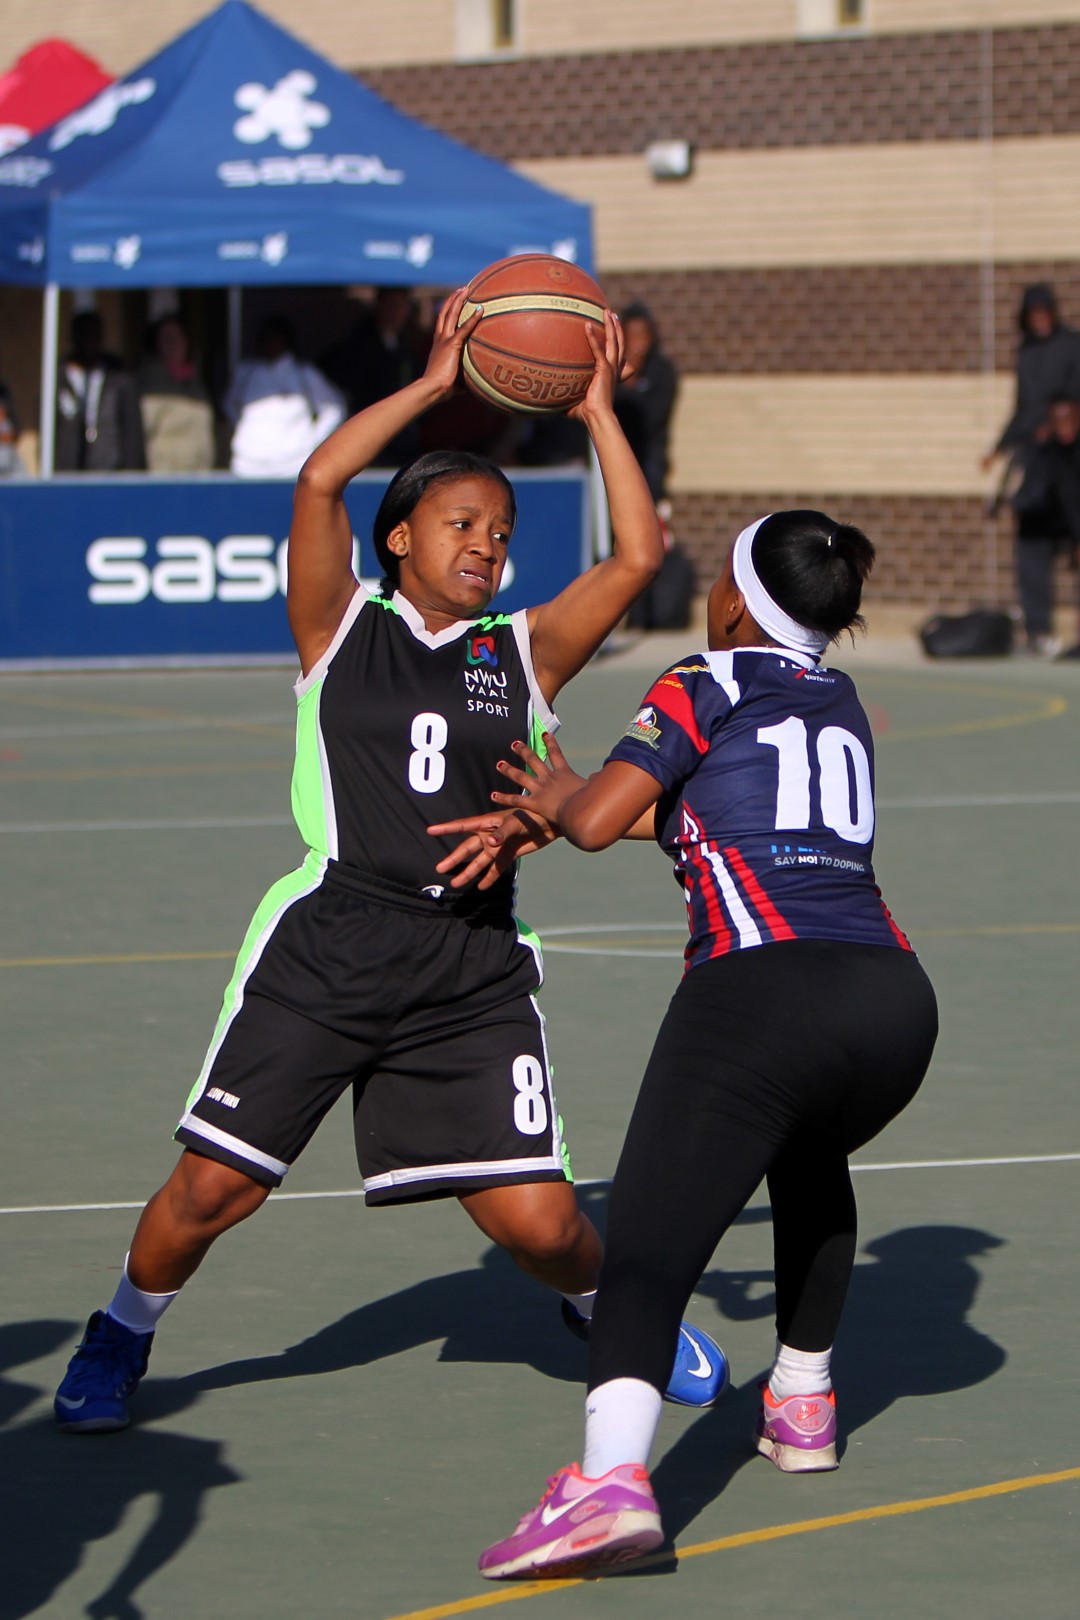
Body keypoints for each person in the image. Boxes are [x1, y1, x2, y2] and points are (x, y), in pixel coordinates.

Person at [53, 287, 726, 1434]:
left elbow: (636, 555)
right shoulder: (338, 624)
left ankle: (613, 1312)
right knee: (213, 1188)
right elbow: (321, 482)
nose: (487, 546)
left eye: (501, 533)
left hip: (467, 965)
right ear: (402, 534)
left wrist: (598, 411)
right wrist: (433, 382)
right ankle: (122, 1329)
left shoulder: (521, 651)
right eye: (462, 522)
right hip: (331, 941)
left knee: (543, 1227)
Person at [442, 509, 939, 1578]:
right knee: (809, 1151)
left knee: (647, 1246)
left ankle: (609, 1486)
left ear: (738, 603)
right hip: (895, 1006)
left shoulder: (703, 679)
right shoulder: (837, 699)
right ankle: (802, 1403)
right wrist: (579, 802)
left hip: (763, 992)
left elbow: (594, 822)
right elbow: (716, 812)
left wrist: (566, 799)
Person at [982, 284, 1080, 486]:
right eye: (1034, 314)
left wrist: (1054, 425)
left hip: (1069, 451)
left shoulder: (1072, 345)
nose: (1040, 319)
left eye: (1043, 312)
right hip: (1035, 452)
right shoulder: (1026, 354)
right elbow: (1023, 409)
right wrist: (998, 449)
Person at [226, 316, 345, 479]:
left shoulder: (304, 374)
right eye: (266, 339)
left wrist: (311, 444)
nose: (270, 343)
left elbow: (333, 408)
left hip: (293, 468)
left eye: (276, 338)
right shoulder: (246, 373)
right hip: (248, 467)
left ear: (286, 341)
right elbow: (231, 404)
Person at [320, 286, 428, 466]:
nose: (397, 312)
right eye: (392, 305)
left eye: (403, 306)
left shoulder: (405, 347)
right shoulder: (360, 345)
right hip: (371, 437)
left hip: (402, 440)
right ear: (380, 305)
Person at [1009, 395, 1080, 655]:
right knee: (1030, 552)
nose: (1066, 427)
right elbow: (1028, 497)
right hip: (1042, 523)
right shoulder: (1041, 449)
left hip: (1074, 521)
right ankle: (1038, 631)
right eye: (1059, 421)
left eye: (1070, 419)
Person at [55, 310, 145, 472]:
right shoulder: (58, 378)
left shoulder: (119, 376)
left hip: (111, 471)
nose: (88, 341)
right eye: (83, 334)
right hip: (69, 473)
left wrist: (132, 473)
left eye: (93, 334)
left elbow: (132, 431)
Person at [612, 301, 678, 504]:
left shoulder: (662, 372)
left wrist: (633, 378)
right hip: (614, 461)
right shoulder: (611, 373)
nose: (638, 344)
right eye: (632, 336)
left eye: (642, 335)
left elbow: (651, 419)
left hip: (649, 465)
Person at [136, 314, 215, 473]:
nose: (174, 344)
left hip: (199, 474)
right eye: (166, 339)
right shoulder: (151, 382)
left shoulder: (195, 381)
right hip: (167, 475)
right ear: (155, 345)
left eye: (178, 337)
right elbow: (142, 431)